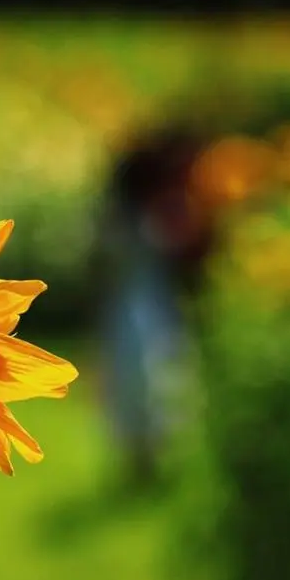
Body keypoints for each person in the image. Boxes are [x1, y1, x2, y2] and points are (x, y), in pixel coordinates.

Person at [94, 128, 217, 485]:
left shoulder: (133, 211)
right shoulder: (144, 213)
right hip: (140, 304)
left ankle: (148, 457)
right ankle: (145, 458)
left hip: (139, 303)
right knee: (146, 374)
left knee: (148, 375)